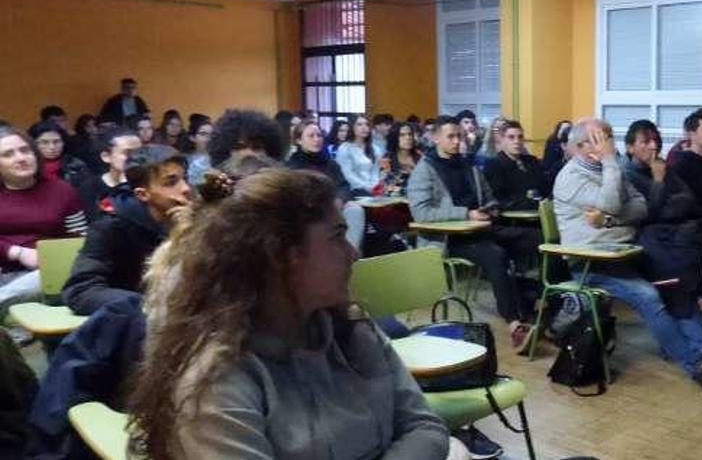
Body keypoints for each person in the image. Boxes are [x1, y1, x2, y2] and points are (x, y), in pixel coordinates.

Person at [128, 169, 461, 460]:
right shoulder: (214, 382)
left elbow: (426, 427)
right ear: (280, 255)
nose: (353, 253)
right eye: (337, 237)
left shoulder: (351, 329)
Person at [553, 118, 702, 396]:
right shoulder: (571, 178)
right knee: (648, 295)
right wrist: (611, 166)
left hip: (627, 253)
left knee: (676, 284)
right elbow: (613, 203)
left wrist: (610, 220)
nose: (609, 145)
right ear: (581, 146)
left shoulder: (609, 170)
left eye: (609, 137)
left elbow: (641, 208)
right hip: (591, 262)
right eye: (602, 139)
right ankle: (697, 366)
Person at [407, 116, 541, 350]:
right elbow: (422, 213)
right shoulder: (424, 170)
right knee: (496, 255)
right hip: (451, 239)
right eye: (451, 136)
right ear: (435, 137)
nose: (457, 141)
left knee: (538, 240)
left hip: (483, 228)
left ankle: (550, 303)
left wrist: (492, 208)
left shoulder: (469, 165)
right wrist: (466, 214)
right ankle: (515, 324)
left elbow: (488, 196)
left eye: (459, 136)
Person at [61, 145, 190, 315]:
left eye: (185, 178)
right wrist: (146, 305)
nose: (186, 188)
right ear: (143, 194)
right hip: (136, 320)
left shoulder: (195, 217)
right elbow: (80, 290)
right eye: (171, 182)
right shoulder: (111, 225)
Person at [0, 127, 89, 314]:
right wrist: (16, 252)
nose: (21, 158)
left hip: (46, 272)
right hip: (4, 269)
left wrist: (52, 259)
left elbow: (79, 238)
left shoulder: (63, 191)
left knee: (47, 277)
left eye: (25, 150)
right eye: (8, 154)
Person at [621, 120, 702, 317]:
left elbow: (688, 198)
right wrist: (658, 182)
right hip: (649, 239)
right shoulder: (626, 175)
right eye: (646, 141)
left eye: (656, 140)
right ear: (630, 147)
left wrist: (665, 206)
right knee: (682, 278)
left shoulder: (662, 167)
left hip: (675, 231)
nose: (654, 146)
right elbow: (647, 213)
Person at [287, 120, 365, 253]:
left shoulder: (330, 164)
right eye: (311, 136)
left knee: (355, 210)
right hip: (310, 211)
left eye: (319, 135)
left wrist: (339, 200)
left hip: (335, 207)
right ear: (299, 140)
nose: (316, 139)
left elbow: (344, 186)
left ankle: (350, 255)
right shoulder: (292, 167)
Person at [77, 127, 142, 221]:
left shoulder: (149, 183)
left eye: (140, 152)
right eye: (128, 153)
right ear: (106, 156)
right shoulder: (89, 188)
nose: (136, 157)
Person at [483, 120, 545, 211]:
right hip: (512, 218)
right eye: (511, 137)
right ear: (502, 139)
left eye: (520, 137)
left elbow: (543, 187)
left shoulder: (532, 161)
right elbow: (501, 198)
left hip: (538, 212)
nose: (517, 141)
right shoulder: (494, 164)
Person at [208, 109, 288, 170]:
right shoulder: (214, 188)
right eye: (238, 148)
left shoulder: (283, 188)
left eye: (257, 147)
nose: (249, 153)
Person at [28, 120, 91, 186]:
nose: (52, 147)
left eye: (56, 142)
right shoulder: (27, 167)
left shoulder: (76, 166)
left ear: (64, 142)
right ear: (33, 143)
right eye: (44, 142)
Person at [336, 115, 382, 196]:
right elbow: (348, 175)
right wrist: (368, 188)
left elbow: (375, 172)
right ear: (352, 128)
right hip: (353, 189)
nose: (364, 127)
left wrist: (374, 186)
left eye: (367, 124)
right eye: (359, 124)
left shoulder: (375, 149)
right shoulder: (345, 148)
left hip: (372, 189)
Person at [380, 122, 422, 198]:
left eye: (410, 134)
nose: (408, 138)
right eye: (402, 135)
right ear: (395, 137)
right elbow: (387, 189)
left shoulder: (420, 157)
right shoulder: (387, 159)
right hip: (397, 203)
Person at [184, 116, 214, 187]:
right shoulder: (184, 160)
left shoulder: (222, 159)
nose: (208, 138)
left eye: (212, 134)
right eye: (203, 134)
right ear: (192, 137)